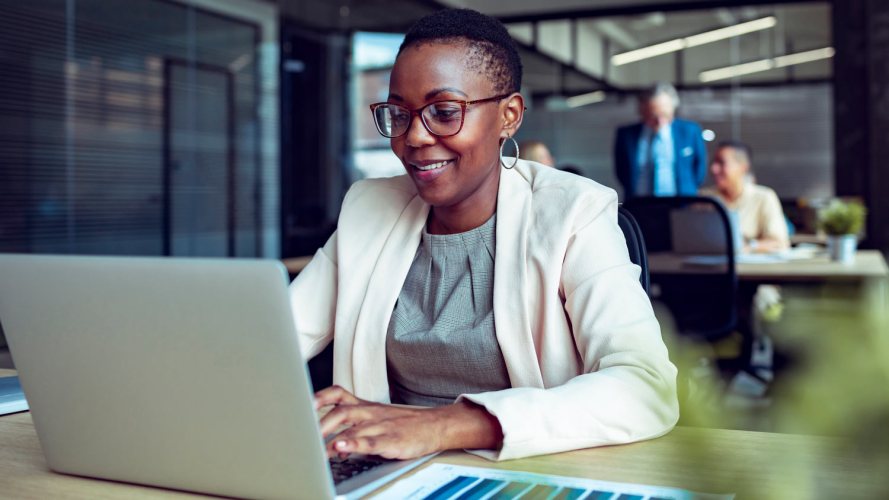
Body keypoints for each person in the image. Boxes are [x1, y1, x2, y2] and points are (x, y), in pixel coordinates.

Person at [290, 8, 678, 462]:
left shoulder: (574, 211)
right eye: (399, 113)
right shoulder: (368, 209)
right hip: (384, 471)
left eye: (444, 111)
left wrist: (443, 426)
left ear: (509, 116)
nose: (413, 136)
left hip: (527, 471)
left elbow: (645, 386)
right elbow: (272, 342)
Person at [613, 82, 707, 199]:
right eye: (653, 116)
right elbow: (622, 172)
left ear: (673, 110)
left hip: (681, 205)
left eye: (665, 115)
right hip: (639, 205)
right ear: (642, 111)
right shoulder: (626, 135)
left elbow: (699, 171)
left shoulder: (690, 131)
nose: (660, 121)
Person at [700, 141, 789, 253]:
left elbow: (779, 242)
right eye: (714, 163)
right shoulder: (704, 199)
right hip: (708, 267)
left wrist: (748, 246)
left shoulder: (764, 197)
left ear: (743, 167)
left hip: (750, 268)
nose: (714, 169)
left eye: (721, 163)